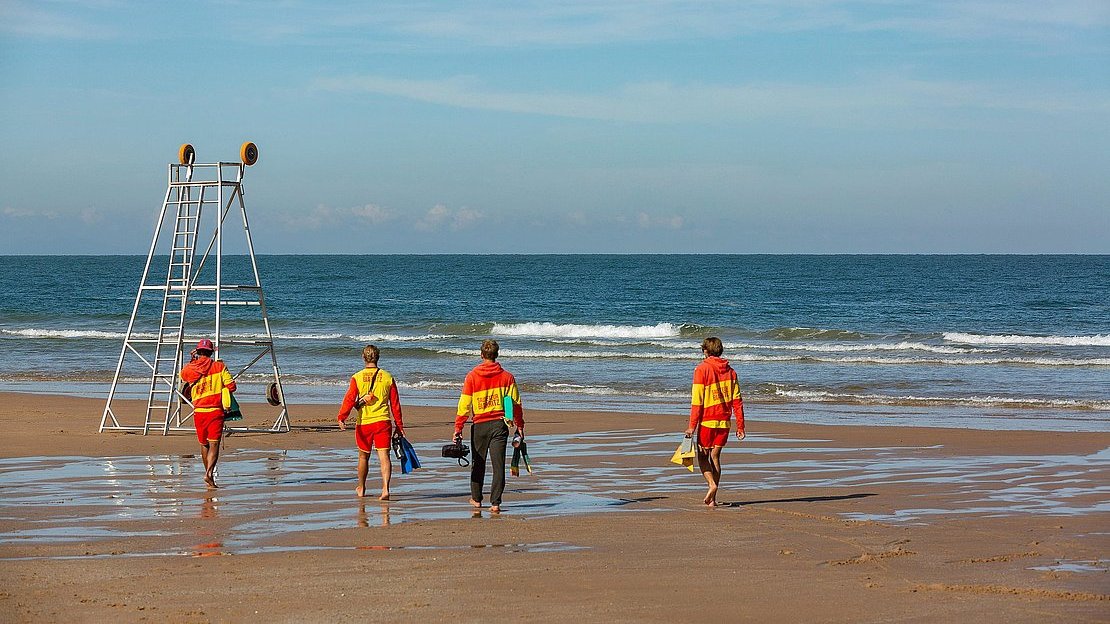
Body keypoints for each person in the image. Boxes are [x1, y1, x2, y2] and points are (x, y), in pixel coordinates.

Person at [454, 339, 524, 513]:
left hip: (480, 425)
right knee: (498, 465)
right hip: (500, 425)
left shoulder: (472, 376)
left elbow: (464, 405)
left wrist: (458, 428)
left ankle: (477, 499)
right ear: (497, 354)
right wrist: (520, 425)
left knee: (478, 463)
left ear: (481, 355)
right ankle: (495, 503)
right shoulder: (507, 377)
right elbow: (516, 403)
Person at [338, 345, 405, 500]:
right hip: (383, 422)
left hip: (364, 423)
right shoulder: (388, 377)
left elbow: (349, 399)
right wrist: (399, 426)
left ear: (363, 357)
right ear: (378, 357)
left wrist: (342, 416)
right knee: (384, 456)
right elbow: (395, 404)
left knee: (363, 457)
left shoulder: (357, 377)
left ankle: (361, 487)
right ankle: (385, 489)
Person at [685, 337, 746, 507]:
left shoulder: (701, 369)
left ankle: (711, 485)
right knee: (715, 457)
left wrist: (691, 426)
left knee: (703, 457)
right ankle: (713, 499)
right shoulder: (731, 372)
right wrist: (740, 426)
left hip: (707, 422)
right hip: (724, 422)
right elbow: (737, 402)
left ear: (706, 351)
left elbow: (697, 401)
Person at [180, 338, 236, 489]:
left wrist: (192, 359)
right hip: (215, 411)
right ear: (211, 352)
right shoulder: (219, 366)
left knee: (203, 444)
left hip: (198, 412)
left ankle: (208, 474)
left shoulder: (191, 368)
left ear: (198, 352)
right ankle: (209, 473)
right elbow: (231, 386)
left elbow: (183, 376)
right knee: (214, 444)